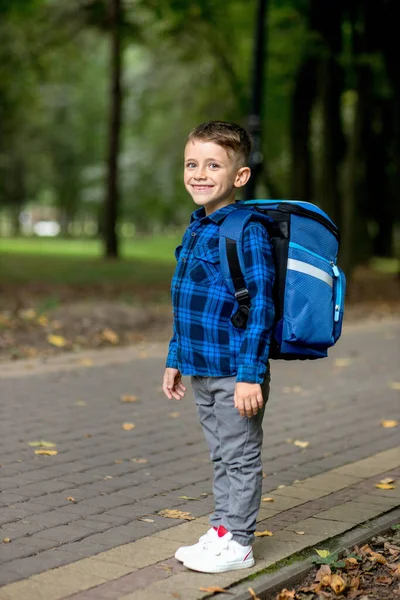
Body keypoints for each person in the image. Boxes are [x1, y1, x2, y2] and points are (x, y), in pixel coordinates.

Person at [162, 120, 275, 574]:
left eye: (213, 164)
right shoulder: (196, 229)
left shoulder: (246, 229)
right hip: (201, 367)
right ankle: (223, 529)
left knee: (241, 453)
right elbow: (186, 302)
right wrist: (175, 359)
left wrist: (250, 373)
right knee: (221, 452)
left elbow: (262, 305)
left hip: (235, 369)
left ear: (240, 177)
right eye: (192, 163)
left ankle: (241, 543)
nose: (200, 173)